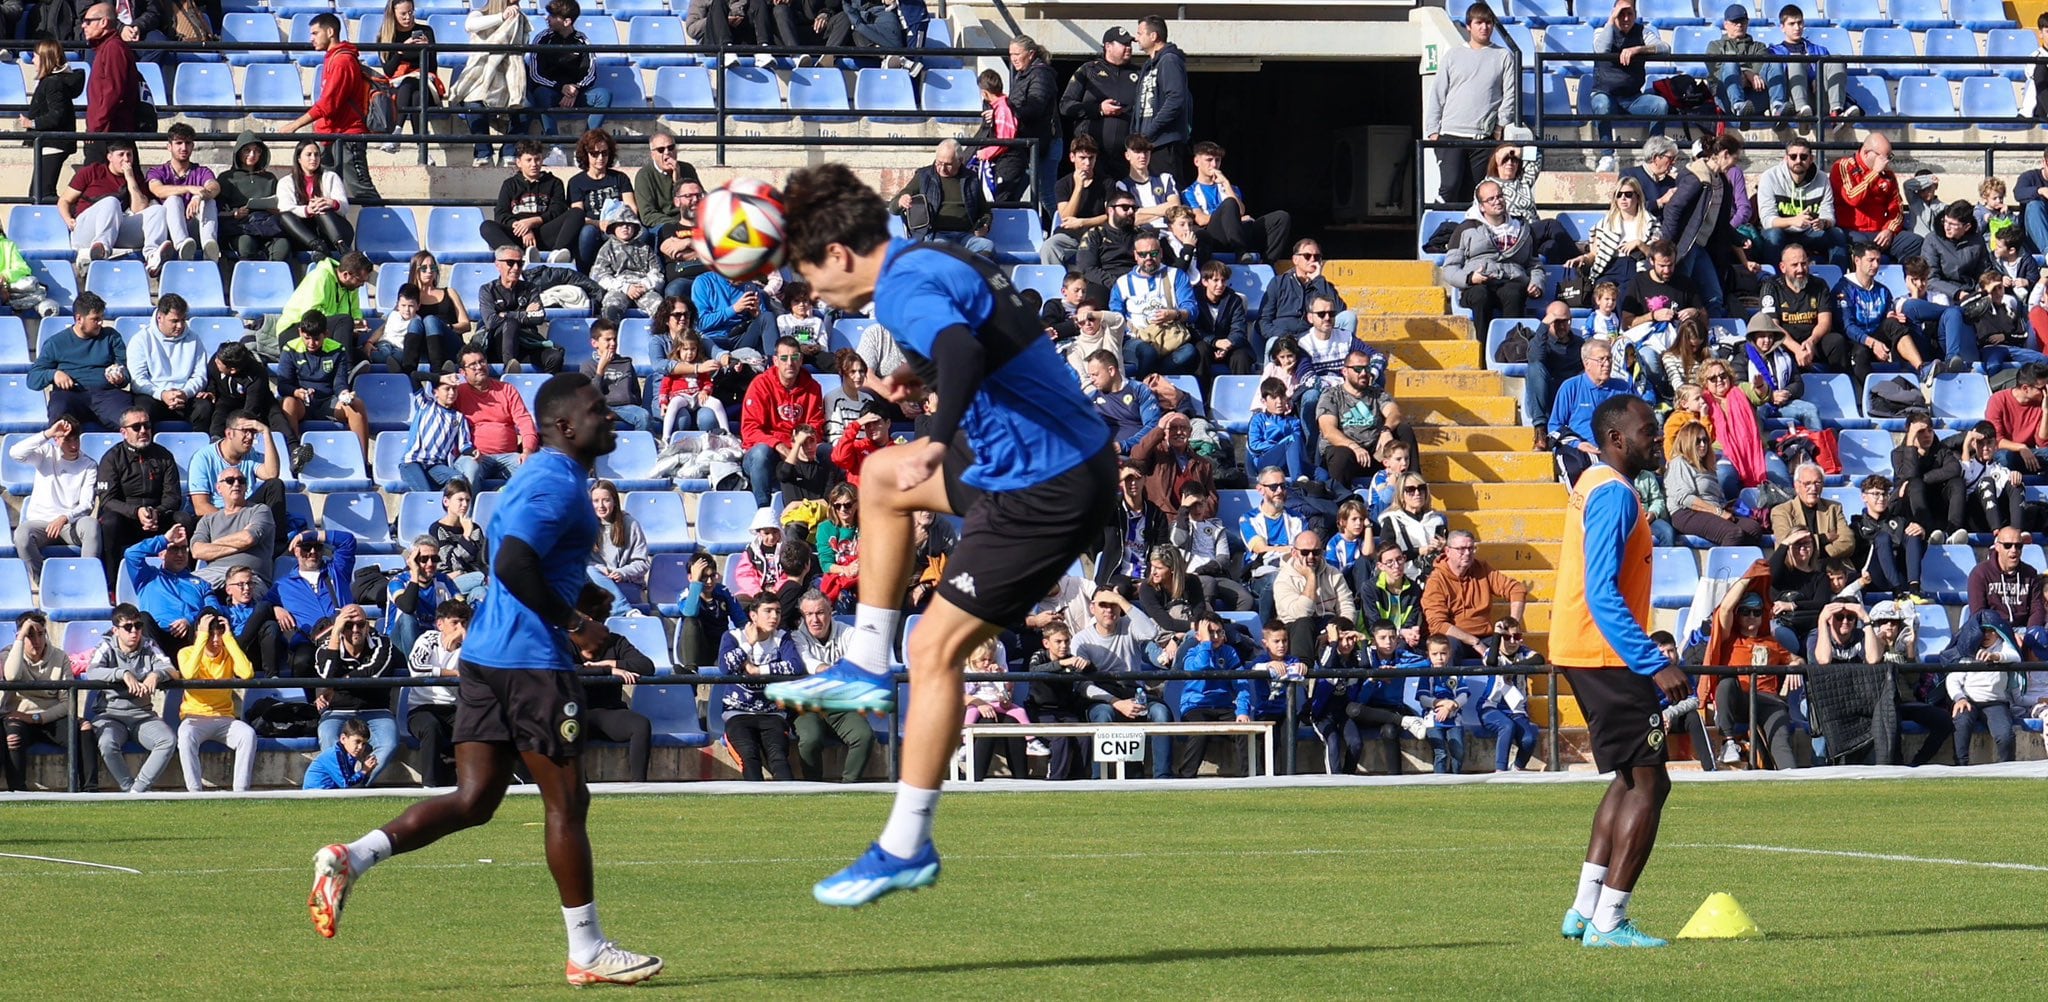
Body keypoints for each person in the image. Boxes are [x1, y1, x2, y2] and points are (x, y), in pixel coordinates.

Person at [759, 163, 1115, 903]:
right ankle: (861, 663)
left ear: (840, 254)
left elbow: (960, 350)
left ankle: (904, 844)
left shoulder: (902, 288)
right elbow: (988, 342)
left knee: (933, 648)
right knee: (884, 476)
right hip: (1024, 459)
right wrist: (918, 396)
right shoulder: (930, 259)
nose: (814, 296)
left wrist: (937, 430)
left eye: (810, 276)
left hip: (1047, 484)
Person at [307, 373, 663, 986]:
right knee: (568, 801)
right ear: (564, 424)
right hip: (529, 664)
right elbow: (512, 562)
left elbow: (526, 560)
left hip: (488, 659)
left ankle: (352, 856)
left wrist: (578, 592)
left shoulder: (546, 479)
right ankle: (588, 949)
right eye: (597, 409)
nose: (609, 417)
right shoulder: (554, 479)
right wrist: (574, 619)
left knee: (476, 800)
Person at [1549, 395, 1690, 946]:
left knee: (1630, 776)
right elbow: (1602, 593)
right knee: (1651, 783)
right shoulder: (1611, 493)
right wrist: (1654, 663)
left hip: (1586, 649)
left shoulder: (1598, 484)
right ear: (1615, 440)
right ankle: (1610, 920)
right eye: (1647, 431)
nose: (1656, 438)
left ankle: (1585, 910)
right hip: (1605, 652)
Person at [280, 13, 378, 206]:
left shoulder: (342, 61)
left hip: (347, 137)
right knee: (320, 191)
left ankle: (383, 232)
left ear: (331, 32)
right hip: (330, 136)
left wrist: (295, 125)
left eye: (315, 33)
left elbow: (328, 104)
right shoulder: (333, 58)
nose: (311, 38)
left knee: (362, 190)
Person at [85, 604, 178, 794]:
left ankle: (137, 790)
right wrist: (122, 673)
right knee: (106, 743)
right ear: (115, 630)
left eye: (138, 625)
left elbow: (173, 671)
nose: (134, 631)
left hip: (143, 715)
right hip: (110, 714)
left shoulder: (149, 645)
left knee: (167, 740)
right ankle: (129, 788)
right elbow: (91, 672)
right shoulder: (106, 645)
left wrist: (156, 675)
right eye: (128, 627)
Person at [789, 589, 877, 783]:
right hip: (807, 706)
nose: (815, 619)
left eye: (820, 612)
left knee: (864, 736)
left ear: (830, 613)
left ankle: (848, 787)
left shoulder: (848, 632)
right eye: (809, 614)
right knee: (810, 740)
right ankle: (814, 789)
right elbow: (809, 663)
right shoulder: (796, 637)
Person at [567, 585, 653, 784]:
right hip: (577, 710)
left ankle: (639, 786)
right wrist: (607, 671)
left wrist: (610, 663)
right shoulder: (565, 642)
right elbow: (568, 669)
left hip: (609, 711)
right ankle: (577, 787)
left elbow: (646, 665)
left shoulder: (616, 642)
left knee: (640, 725)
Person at [717, 592, 803, 781]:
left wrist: (757, 670)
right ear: (753, 615)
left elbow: (795, 666)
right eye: (768, 611)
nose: (774, 616)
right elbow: (725, 667)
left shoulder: (782, 637)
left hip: (772, 713)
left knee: (779, 759)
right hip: (737, 712)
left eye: (778, 612)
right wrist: (749, 644)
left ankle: (792, 803)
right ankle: (755, 803)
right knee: (749, 757)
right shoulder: (733, 636)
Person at [1441, 180, 1541, 339]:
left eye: (1500, 196)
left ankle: (1512, 347)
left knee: (1514, 292)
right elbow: (1450, 268)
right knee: (1480, 295)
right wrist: (1470, 278)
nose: (1497, 201)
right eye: (1491, 199)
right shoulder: (1466, 229)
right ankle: (1483, 347)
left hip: (1511, 280)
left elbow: (1534, 264)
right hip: (1477, 284)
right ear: (1481, 206)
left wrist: (1536, 283)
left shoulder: (1523, 228)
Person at [174, 609, 257, 792]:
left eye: (219, 635)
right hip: (194, 717)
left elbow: (247, 673)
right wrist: (202, 637)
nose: (216, 640)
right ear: (199, 634)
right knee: (185, 735)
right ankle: (195, 792)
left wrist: (229, 638)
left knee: (247, 734)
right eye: (211, 635)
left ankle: (240, 791)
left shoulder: (228, 651)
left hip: (225, 718)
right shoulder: (186, 652)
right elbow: (189, 674)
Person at [739, 338, 826, 509]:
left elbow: (815, 425)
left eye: (794, 358)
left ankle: (823, 514)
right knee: (760, 453)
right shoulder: (760, 385)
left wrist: (799, 447)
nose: (790, 363)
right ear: (775, 360)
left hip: (798, 450)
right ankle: (763, 513)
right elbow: (750, 430)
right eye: (784, 358)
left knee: (826, 452)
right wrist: (778, 445)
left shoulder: (813, 387)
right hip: (767, 452)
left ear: (801, 360)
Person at [9, 416, 99, 581]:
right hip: (40, 523)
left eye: (76, 439)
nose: (74, 445)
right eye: (67, 440)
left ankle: (87, 580)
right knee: (21, 535)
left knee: (91, 525)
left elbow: (87, 504)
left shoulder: (89, 465)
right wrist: (47, 434)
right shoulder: (46, 453)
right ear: (56, 439)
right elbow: (15, 453)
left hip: (70, 524)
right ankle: (44, 581)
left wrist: (65, 517)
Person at [1585, 0, 1670, 174]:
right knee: (1601, 104)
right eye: (1621, 13)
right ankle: (1607, 155)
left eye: (1629, 13)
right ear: (1614, 13)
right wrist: (1612, 19)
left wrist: (1638, 50)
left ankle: (1655, 155)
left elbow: (1665, 48)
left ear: (1635, 14)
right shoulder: (1602, 30)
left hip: (1632, 98)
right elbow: (1601, 49)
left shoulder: (1642, 32)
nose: (1625, 18)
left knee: (1659, 104)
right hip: (1606, 93)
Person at [1422, 530, 1529, 665]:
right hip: (1455, 638)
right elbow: (1438, 625)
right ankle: (1448, 685)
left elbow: (1517, 589)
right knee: (1448, 648)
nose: (1467, 553)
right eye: (1461, 549)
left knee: (1516, 648)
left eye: (1471, 548)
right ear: (1447, 551)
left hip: (1486, 636)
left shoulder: (1482, 568)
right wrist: (1474, 641)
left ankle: (1512, 685)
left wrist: (1513, 627)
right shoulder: (1436, 581)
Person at [2, 612, 82, 792]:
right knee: (13, 737)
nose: (37, 640)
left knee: (83, 730)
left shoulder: (60, 657)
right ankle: (18, 793)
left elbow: (67, 702)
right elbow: (12, 676)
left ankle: (88, 791)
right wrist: (20, 639)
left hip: (50, 716)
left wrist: (37, 718)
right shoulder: (10, 653)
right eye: (30, 635)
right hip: (19, 717)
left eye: (40, 634)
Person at [450, 0, 532, 167]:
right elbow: (471, 25)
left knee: (526, 106)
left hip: (510, 73)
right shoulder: (479, 14)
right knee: (473, 103)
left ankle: (509, 152)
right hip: (481, 73)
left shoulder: (520, 19)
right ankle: (483, 153)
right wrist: (503, 16)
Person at [269, 528, 358, 677]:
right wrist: (275, 608)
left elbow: (348, 541)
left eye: (317, 546)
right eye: (305, 547)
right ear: (296, 551)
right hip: (309, 642)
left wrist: (311, 535)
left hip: (345, 636)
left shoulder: (337, 570)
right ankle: (310, 701)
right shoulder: (282, 585)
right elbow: (261, 605)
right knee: (302, 661)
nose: (312, 551)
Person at [1942, 610, 2022, 765]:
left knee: (2005, 735)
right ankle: (1960, 767)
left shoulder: (2004, 646)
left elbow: (2015, 657)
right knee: (1961, 725)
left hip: (1995, 702)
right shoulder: (1968, 649)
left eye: (1991, 630)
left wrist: (1996, 657)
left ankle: (2008, 770)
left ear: (1999, 632)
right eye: (1983, 630)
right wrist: (1959, 698)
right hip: (1968, 700)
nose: (1986, 634)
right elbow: (1953, 680)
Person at [1664, 423, 1765, 546]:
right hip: (1687, 513)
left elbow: (1717, 498)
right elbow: (1685, 498)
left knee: (1753, 529)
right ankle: (1724, 565)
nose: (1703, 445)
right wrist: (1718, 512)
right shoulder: (1679, 462)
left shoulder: (1708, 467)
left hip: (1712, 511)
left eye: (1705, 440)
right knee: (1733, 533)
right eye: (1698, 441)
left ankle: (1741, 561)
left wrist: (1726, 507)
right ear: (1687, 442)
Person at [1830, 133, 1923, 265]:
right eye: (1883, 157)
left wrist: (1889, 230)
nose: (1886, 161)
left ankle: (1901, 279)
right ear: (1867, 153)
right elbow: (1852, 198)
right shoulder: (1843, 166)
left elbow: (1897, 209)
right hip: (1852, 231)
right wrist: (1873, 174)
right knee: (1864, 247)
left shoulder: (1888, 175)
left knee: (1914, 242)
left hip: (1879, 233)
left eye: (1889, 157)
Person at [406, 598, 470, 787]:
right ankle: (429, 786)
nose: (460, 628)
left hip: (453, 708)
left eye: (464, 623)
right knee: (431, 726)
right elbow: (416, 667)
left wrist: (466, 645)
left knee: (475, 726)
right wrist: (453, 673)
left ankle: (472, 785)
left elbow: (480, 674)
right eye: (455, 623)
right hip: (421, 708)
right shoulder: (428, 639)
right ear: (440, 624)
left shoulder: (471, 646)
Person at [890, 140, 994, 257]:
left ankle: (973, 274)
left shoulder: (971, 178)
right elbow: (893, 208)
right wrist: (901, 200)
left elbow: (985, 211)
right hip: (935, 235)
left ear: (960, 161)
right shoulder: (924, 176)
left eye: (948, 165)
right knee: (942, 250)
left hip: (965, 236)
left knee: (987, 246)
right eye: (939, 163)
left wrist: (985, 226)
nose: (942, 168)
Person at [454, 347, 540, 489]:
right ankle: (469, 511)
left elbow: (525, 422)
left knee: (531, 474)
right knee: (470, 471)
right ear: (463, 372)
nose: (479, 367)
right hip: (475, 457)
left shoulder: (507, 389)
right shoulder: (458, 393)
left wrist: (528, 451)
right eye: (473, 365)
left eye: (482, 362)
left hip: (509, 456)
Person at [1755, 139, 1843, 266]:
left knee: (1837, 234)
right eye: (1793, 156)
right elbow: (1767, 221)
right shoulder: (1770, 177)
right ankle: (1772, 282)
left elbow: (1829, 215)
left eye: (1803, 157)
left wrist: (1823, 222)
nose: (1798, 161)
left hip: (1809, 232)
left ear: (1811, 159)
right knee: (1774, 235)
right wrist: (1793, 220)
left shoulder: (1822, 178)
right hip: (1781, 231)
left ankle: (1839, 281)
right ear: (1786, 158)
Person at [191, 465, 275, 593]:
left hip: (250, 577)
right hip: (214, 574)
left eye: (241, 481)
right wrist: (240, 543)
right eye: (230, 480)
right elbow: (197, 551)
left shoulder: (259, 510)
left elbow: (248, 538)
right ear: (219, 488)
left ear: (246, 487)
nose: (236, 484)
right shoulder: (208, 520)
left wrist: (213, 544)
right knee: (188, 588)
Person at [145, 123, 220, 263]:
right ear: (169, 146)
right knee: (173, 199)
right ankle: (182, 246)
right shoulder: (157, 171)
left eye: (188, 143)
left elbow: (214, 187)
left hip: (195, 226)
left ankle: (209, 247)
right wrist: (189, 189)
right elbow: (158, 190)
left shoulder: (202, 171)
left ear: (193, 146)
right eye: (178, 143)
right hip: (169, 231)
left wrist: (199, 195)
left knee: (210, 200)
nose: (184, 148)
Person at [1061, 27, 1140, 157]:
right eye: (1124, 44)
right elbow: (1065, 106)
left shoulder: (1138, 73)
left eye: (1130, 44)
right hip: (1092, 154)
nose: (1129, 48)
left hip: (1127, 155)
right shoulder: (1089, 70)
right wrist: (1099, 109)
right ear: (1108, 46)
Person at [563, 129, 636, 272]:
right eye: (594, 154)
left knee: (643, 233)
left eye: (604, 153)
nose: (600, 158)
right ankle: (584, 273)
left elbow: (632, 208)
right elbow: (576, 216)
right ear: (586, 154)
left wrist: (618, 224)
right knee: (587, 233)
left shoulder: (620, 178)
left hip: (619, 224)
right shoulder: (576, 182)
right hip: (593, 225)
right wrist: (598, 223)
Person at [21, 40, 83, 205]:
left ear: (45, 58)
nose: (33, 61)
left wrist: (32, 123)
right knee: (38, 193)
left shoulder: (53, 82)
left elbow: (57, 115)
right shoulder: (51, 81)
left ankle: (71, 214)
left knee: (42, 193)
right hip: (50, 143)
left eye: (35, 57)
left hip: (54, 142)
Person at [1131, 15, 1191, 183]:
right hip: (1148, 144)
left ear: (1153, 36)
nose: (1136, 38)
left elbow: (1176, 100)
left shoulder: (1169, 60)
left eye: (1140, 33)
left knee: (1168, 195)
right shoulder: (1148, 66)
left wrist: (1149, 132)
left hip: (1164, 144)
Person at [1767, 4, 1855, 119]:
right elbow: (1780, 75)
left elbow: (1834, 70)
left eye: (1800, 23)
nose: (1797, 27)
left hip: (1820, 97)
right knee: (1796, 60)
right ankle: (1801, 113)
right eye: (1792, 24)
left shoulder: (1819, 50)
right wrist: (1813, 76)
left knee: (1836, 59)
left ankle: (1836, 112)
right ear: (1782, 27)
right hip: (1792, 100)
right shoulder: (1774, 52)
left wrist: (1817, 78)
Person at [400, 373, 483, 493]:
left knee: (458, 480)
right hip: (413, 462)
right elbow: (414, 376)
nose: (451, 393)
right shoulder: (425, 404)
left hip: (436, 465)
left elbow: (464, 445)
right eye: (446, 388)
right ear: (435, 392)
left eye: (454, 389)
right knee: (426, 494)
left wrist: (471, 451)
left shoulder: (459, 417)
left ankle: (444, 504)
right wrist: (440, 378)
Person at [81, 3, 141, 159]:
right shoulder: (105, 48)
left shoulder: (113, 48)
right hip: (106, 131)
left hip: (109, 133)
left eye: (88, 21)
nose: (83, 25)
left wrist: (95, 128)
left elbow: (112, 92)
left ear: (103, 22)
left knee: (96, 180)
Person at [585, 480, 649, 617]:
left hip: (625, 584)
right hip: (596, 583)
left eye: (606, 500)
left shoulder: (629, 524)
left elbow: (642, 563)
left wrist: (622, 572)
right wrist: (598, 568)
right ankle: (626, 612)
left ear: (614, 501)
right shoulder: (584, 526)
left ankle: (624, 611)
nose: (601, 506)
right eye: (596, 501)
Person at [591, 205, 663, 325]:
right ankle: (612, 338)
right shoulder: (607, 249)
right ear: (613, 227)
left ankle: (661, 339)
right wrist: (625, 287)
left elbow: (657, 273)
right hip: (618, 288)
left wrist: (644, 285)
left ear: (635, 228)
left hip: (643, 288)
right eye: (620, 224)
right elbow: (599, 275)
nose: (625, 228)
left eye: (629, 225)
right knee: (611, 306)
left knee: (660, 307)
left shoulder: (645, 249)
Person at [1706, 4, 1768, 120]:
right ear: (1726, 24)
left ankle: (1778, 108)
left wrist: (1746, 75)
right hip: (1726, 98)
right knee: (1730, 63)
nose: (1739, 25)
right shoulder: (1714, 46)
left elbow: (1761, 67)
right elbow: (1717, 72)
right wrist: (1747, 73)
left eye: (1743, 21)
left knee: (1775, 65)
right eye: (1735, 22)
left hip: (1755, 93)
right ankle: (1739, 107)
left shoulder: (1759, 47)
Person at [432, 480, 488, 599]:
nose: (465, 504)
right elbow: (453, 564)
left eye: (467, 500)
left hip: (473, 580)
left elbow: (482, 560)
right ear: (446, 501)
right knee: (486, 579)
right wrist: (466, 536)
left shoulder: (475, 528)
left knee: (481, 593)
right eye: (460, 500)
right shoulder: (437, 529)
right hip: (449, 582)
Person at [304, 717, 377, 790]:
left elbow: (356, 785)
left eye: (364, 743)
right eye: (357, 742)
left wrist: (368, 772)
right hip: (315, 793)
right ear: (343, 739)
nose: (360, 747)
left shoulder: (349, 755)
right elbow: (345, 785)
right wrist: (364, 771)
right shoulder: (333, 755)